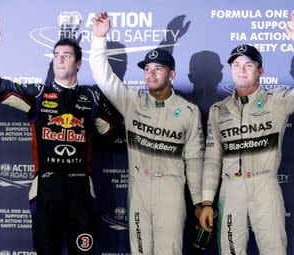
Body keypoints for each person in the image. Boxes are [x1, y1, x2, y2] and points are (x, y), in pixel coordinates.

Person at [0, 14, 114, 254]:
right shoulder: (38, 96)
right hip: (46, 189)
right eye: (56, 55)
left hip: (81, 188)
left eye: (67, 55)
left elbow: (112, 131)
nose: (60, 60)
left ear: (79, 63)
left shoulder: (91, 98)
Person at [199, 10, 294, 254]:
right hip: (230, 189)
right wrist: (206, 201)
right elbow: (212, 160)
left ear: (261, 70)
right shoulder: (218, 110)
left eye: (249, 65)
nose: (242, 69)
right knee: (230, 251)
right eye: (236, 65)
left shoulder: (276, 101)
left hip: (264, 184)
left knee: (274, 249)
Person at [89, 12, 205, 255]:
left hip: (171, 191)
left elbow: (194, 160)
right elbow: (103, 77)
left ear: (171, 74)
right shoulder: (132, 101)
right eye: (147, 69)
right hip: (139, 189)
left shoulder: (188, 111)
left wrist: (198, 201)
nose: (151, 74)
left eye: (158, 69)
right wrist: (99, 39)